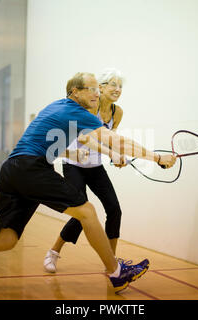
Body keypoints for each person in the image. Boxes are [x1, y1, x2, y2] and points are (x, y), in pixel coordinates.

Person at [0, 72, 176, 294]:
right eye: (92, 89)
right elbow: (116, 141)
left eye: (98, 91)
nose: (97, 94)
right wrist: (156, 157)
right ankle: (116, 272)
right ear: (74, 92)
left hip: (12, 170)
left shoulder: (57, 108)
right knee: (87, 212)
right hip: (31, 168)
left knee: (6, 239)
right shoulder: (76, 111)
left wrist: (72, 153)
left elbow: (50, 142)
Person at [44, 68, 127, 273]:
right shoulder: (90, 107)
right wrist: (111, 153)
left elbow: (110, 139)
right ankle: (53, 251)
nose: (118, 89)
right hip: (73, 165)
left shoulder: (118, 112)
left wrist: (119, 154)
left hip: (95, 167)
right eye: (113, 84)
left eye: (121, 86)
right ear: (101, 87)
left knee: (114, 209)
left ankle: (112, 263)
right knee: (83, 212)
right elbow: (85, 138)